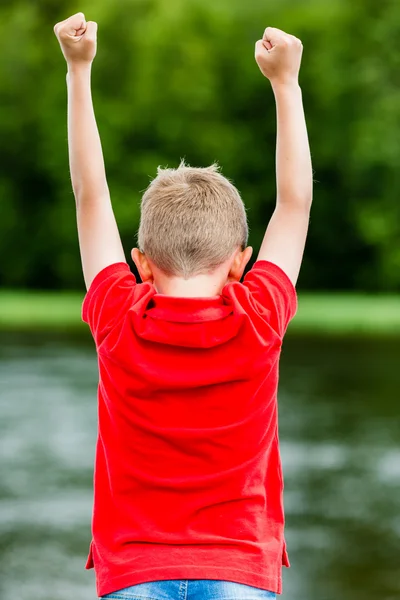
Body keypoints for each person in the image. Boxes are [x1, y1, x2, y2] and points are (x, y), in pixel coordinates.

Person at [54, 12, 312, 600]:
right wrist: (286, 85)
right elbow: (295, 204)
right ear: (241, 261)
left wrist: (78, 70)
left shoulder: (119, 316)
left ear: (140, 262)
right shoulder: (260, 317)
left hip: (135, 576)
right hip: (240, 570)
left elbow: (89, 195)